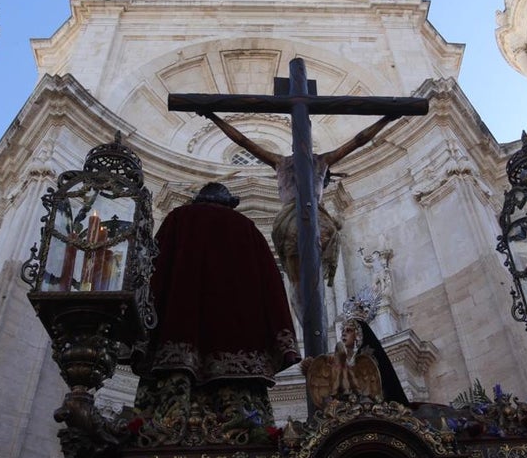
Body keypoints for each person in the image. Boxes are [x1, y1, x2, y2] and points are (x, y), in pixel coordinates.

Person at [134, 183, 299, 424]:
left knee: (164, 418)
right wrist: (283, 342)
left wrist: (140, 333)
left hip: (177, 337)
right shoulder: (247, 228)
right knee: (246, 423)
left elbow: (154, 273)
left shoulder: (177, 220)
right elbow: (272, 286)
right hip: (240, 346)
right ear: (228, 202)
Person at [201, 111, 397, 289]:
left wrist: (386, 118)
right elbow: (243, 141)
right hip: (301, 216)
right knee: (302, 276)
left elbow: (360, 140)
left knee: (304, 274)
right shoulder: (298, 161)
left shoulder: (314, 161)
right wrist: (214, 117)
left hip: (307, 216)